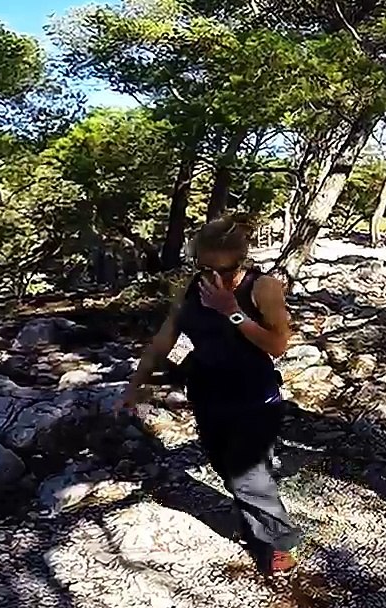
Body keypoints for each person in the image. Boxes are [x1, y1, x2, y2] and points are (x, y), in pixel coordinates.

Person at [119, 214, 301, 574]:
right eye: (205, 266)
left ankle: (278, 543)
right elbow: (164, 337)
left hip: (254, 395)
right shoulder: (192, 287)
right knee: (225, 466)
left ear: (240, 259)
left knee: (247, 472)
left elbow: (277, 345)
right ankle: (256, 522)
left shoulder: (262, 287)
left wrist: (231, 311)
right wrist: (134, 384)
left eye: (224, 268)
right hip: (207, 392)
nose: (213, 276)